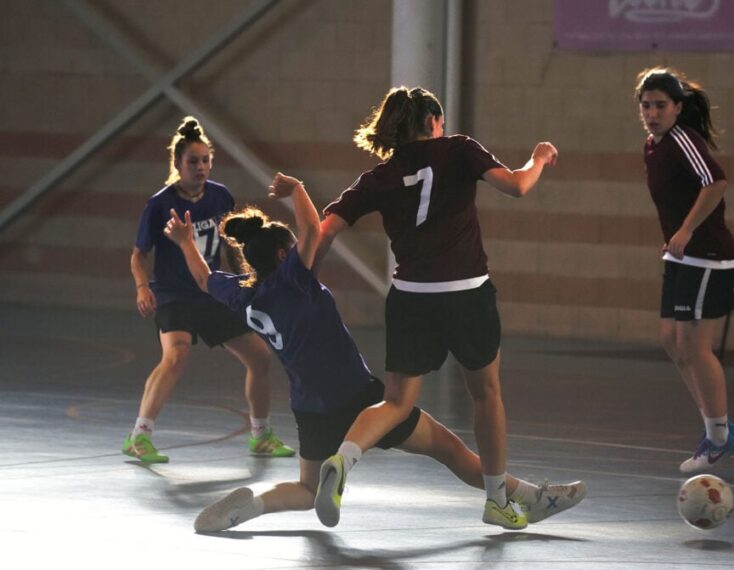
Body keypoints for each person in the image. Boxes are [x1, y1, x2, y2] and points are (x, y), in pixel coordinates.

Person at [161, 174, 586, 532]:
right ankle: (535, 498)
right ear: (282, 255)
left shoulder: (244, 295)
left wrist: (184, 242)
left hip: (309, 408)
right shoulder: (293, 280)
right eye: (293, 247)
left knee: (308, 491)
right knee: (450, 450)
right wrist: (296, 190)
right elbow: (313, 229)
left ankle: (252, 505)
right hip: (358, 397)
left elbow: (203, 280)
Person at [312, 86, 560, 529]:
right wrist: (538, 158)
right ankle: (497, 500)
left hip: (411, 299)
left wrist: (305, 275)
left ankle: (344, 460)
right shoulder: (458, 150)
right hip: (467, 293)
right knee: (486, 394)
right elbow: (518, 187)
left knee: (396, 403)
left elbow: (326, 228)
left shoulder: (380, 176)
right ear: (432, 122)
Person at [125, 116, 294, 463]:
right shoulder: (160, 204)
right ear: (177, 164)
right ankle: (139, 437)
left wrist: (248, 283)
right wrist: (143, 287)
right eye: (193, 161)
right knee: (177, 354)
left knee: (260, 357)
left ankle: (260, 436)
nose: (200, 167)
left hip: (212, 290)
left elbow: (232, 249)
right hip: (174, 294)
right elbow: (139, 255)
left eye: (205, 161)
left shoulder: (220, 197)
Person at [635, 68, 734, 473]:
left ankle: (719, 435)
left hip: (709, 256)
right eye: (646, 106)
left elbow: (716, 183)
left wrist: (686, 229)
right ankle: (716, 426)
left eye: (661, 105)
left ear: (677, 107)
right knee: (672, 342)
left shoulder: (683, 141)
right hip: (680, 258)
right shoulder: (651, 145)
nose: (653, 113)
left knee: (696, 348)